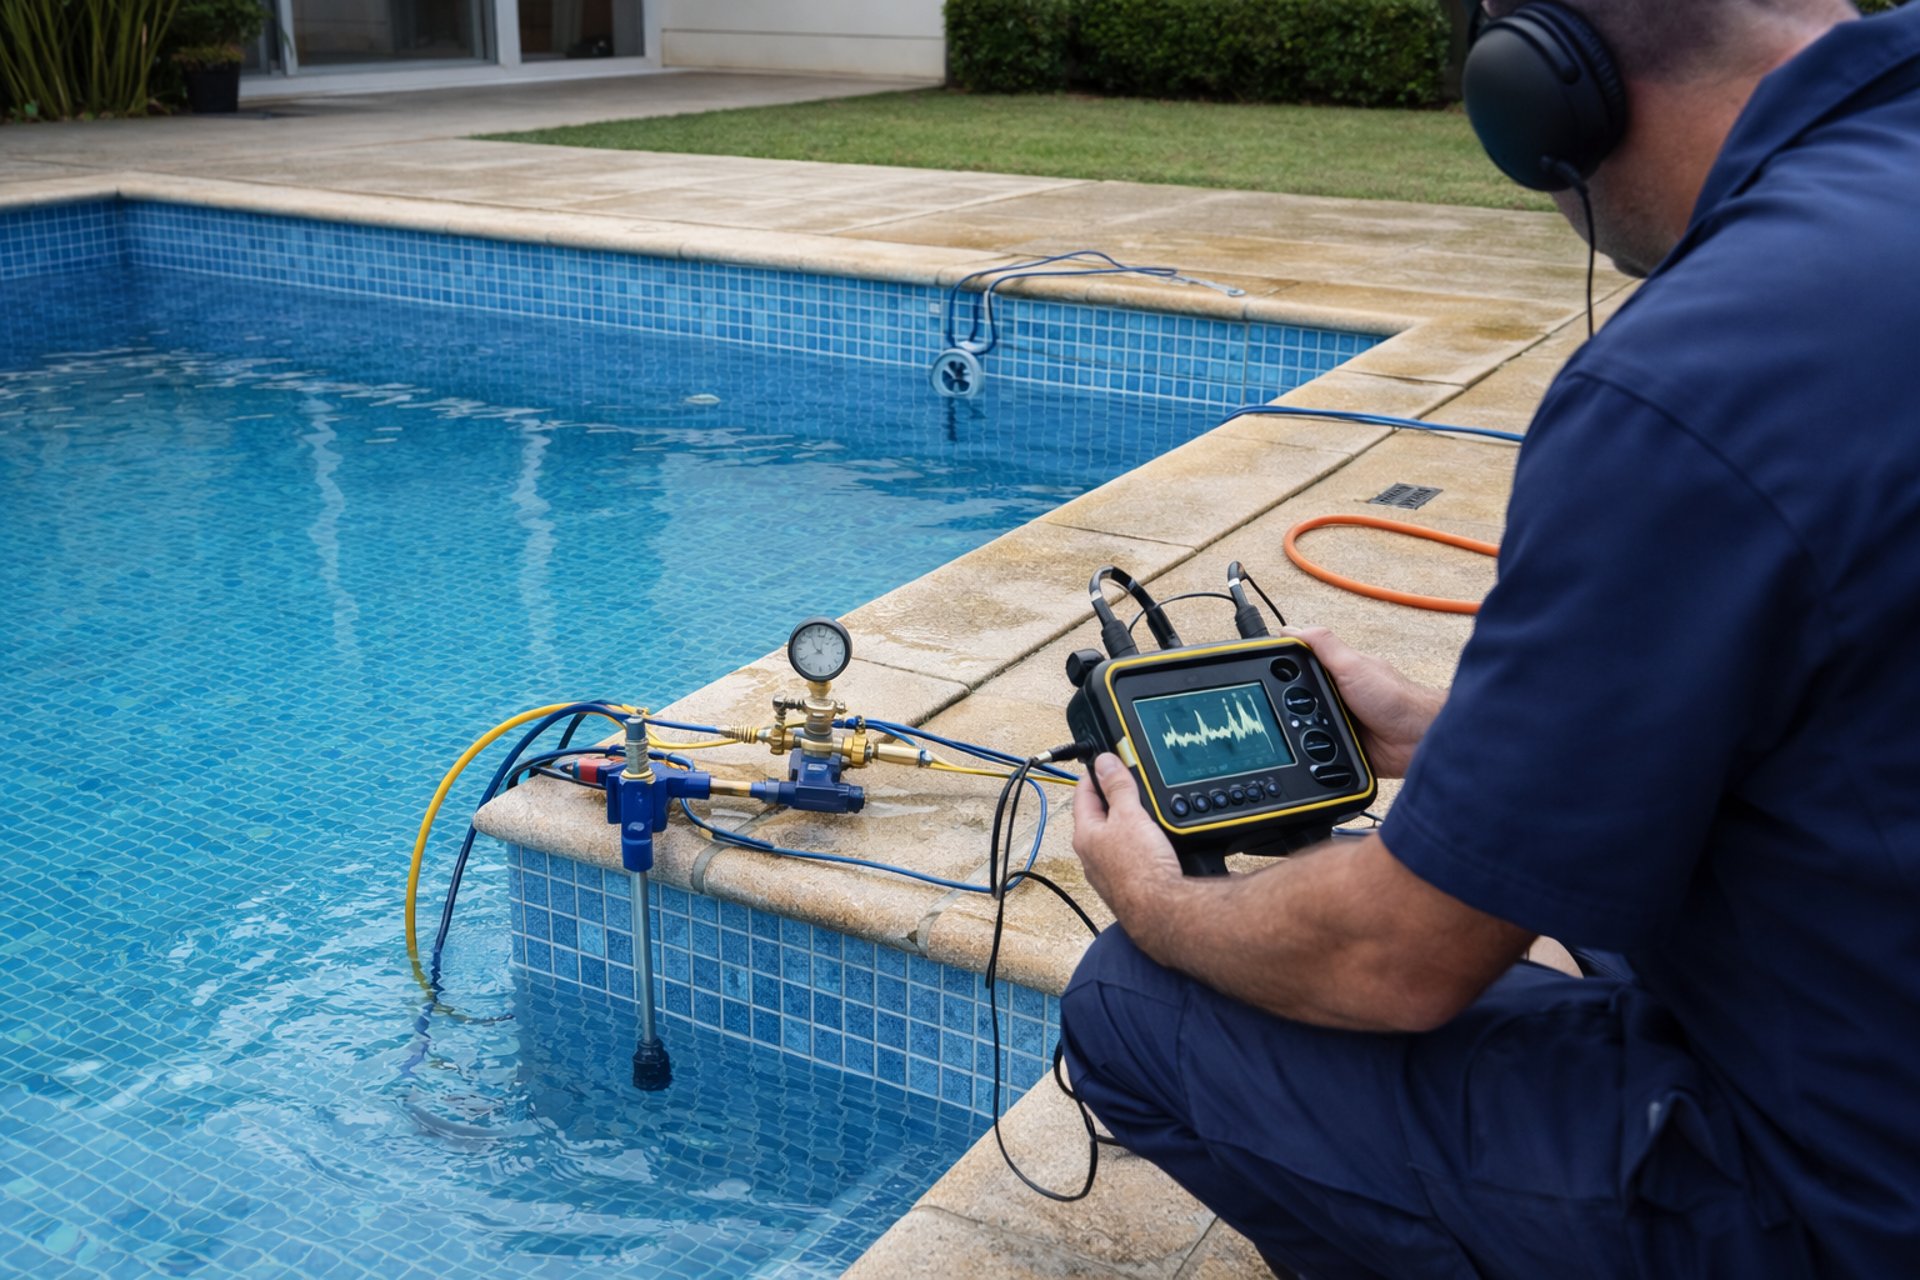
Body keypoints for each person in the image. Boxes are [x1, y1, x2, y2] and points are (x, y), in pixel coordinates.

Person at [1059, 1, 1920, 1276]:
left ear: (1539, 92)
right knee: (1584, 886)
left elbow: (1399, 960)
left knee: (1128, 1003)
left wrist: (1151, 894)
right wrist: (1447, 737)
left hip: (1851, 1200)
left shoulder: (1688, 381)